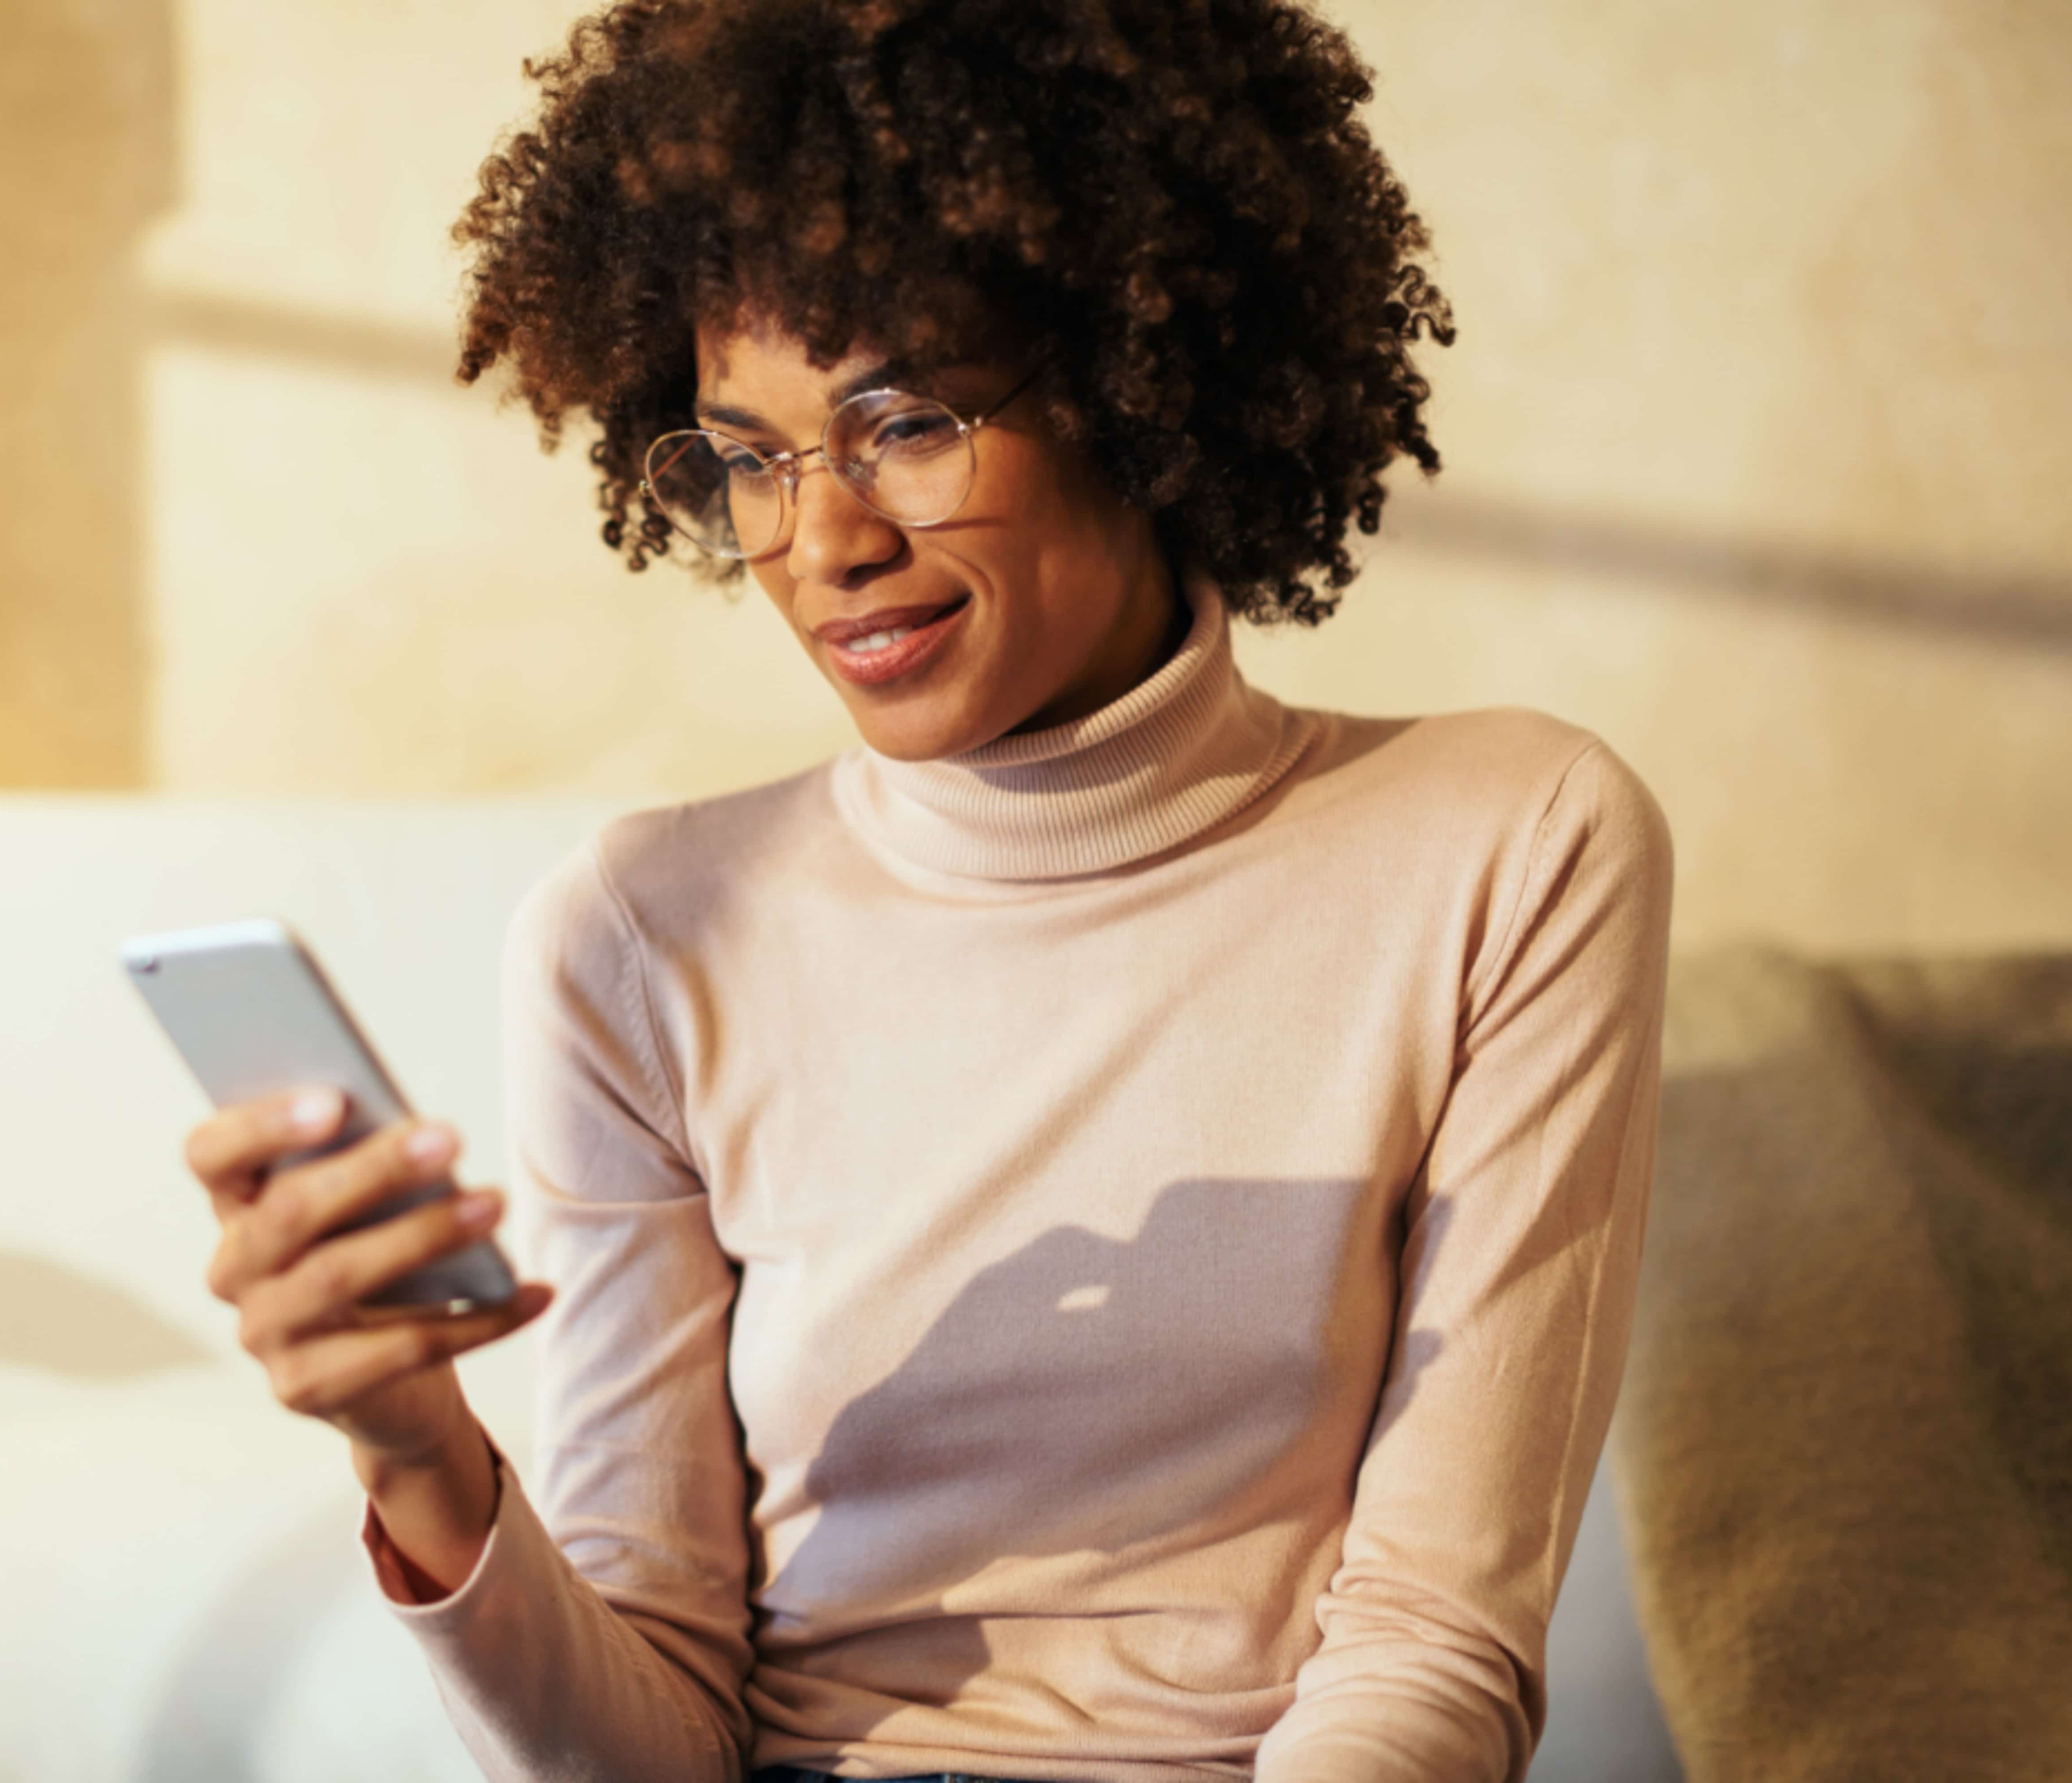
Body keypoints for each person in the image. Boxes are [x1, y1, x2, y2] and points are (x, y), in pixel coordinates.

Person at [184, 1, 1674, 1778]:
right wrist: (417, 1446)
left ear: (1144, 381)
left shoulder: (1509, 840)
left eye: (906, 422)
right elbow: (654, 1732)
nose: (822, 544)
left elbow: (1437, 1648)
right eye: (751, 456)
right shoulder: (644, 935)